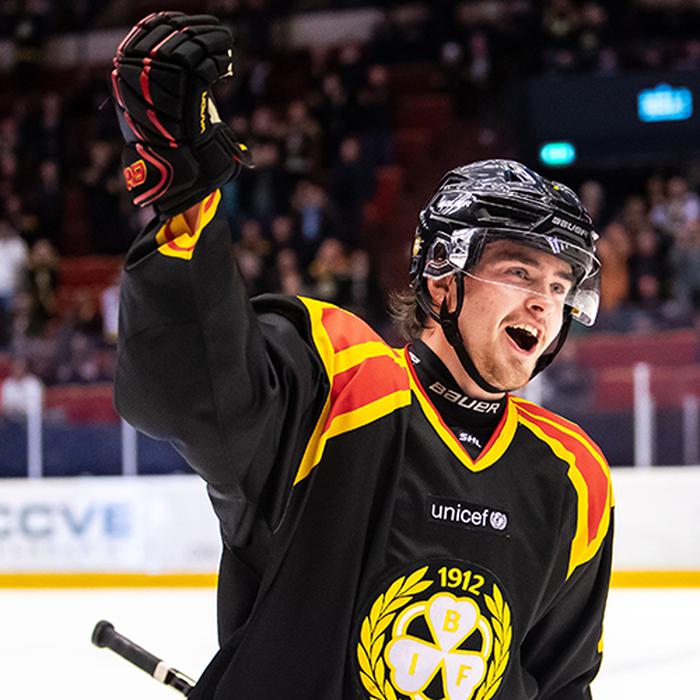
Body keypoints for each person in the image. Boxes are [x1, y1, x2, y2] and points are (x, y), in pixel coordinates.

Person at [111, 13, 613, 700]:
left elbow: (561, 682)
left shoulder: (573, 475)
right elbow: (184, 387)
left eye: (559, 287)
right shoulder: (340, 381)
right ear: (443, 279)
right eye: (519, 273)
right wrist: (184, 195)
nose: (543, 305)